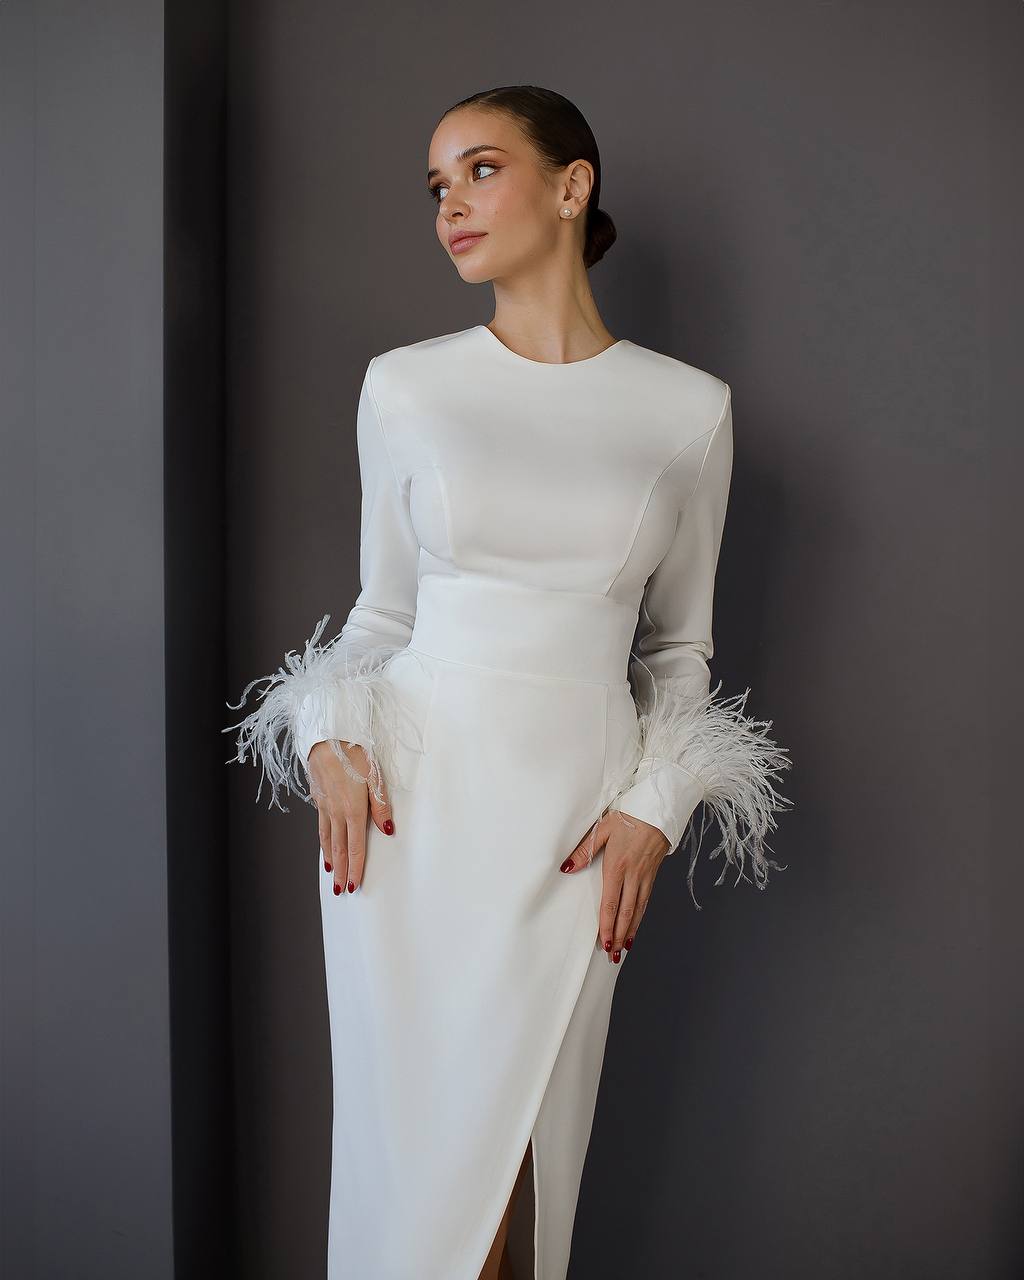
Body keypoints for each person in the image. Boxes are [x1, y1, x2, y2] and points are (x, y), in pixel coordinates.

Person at [225, 84, 793, 1280]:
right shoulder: (406, 384)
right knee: (423, 1191)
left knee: (521, 1177)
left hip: (568, 834)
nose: (451, 205)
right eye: (438, 185)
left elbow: (677, 654)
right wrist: (324, 733)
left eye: (480, 170)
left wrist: (655, 806)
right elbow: (380, 618)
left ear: (571, 185)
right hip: (408, 828)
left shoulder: (689, 411)